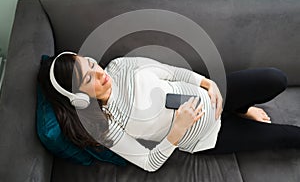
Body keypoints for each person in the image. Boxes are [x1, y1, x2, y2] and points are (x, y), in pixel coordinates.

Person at [38, 51, 300, 172]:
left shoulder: (120, 66)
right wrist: (177, 130)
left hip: (213, 95)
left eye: (91, 63)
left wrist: (207, 83)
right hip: (210, 135)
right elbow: (149, 164)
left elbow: (171, 71)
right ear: (81, 98)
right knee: (288, 137)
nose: (98, 73)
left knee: (275, 79)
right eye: (87, 79)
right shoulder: (106, 127)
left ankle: (239, 109)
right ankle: (237, 116)